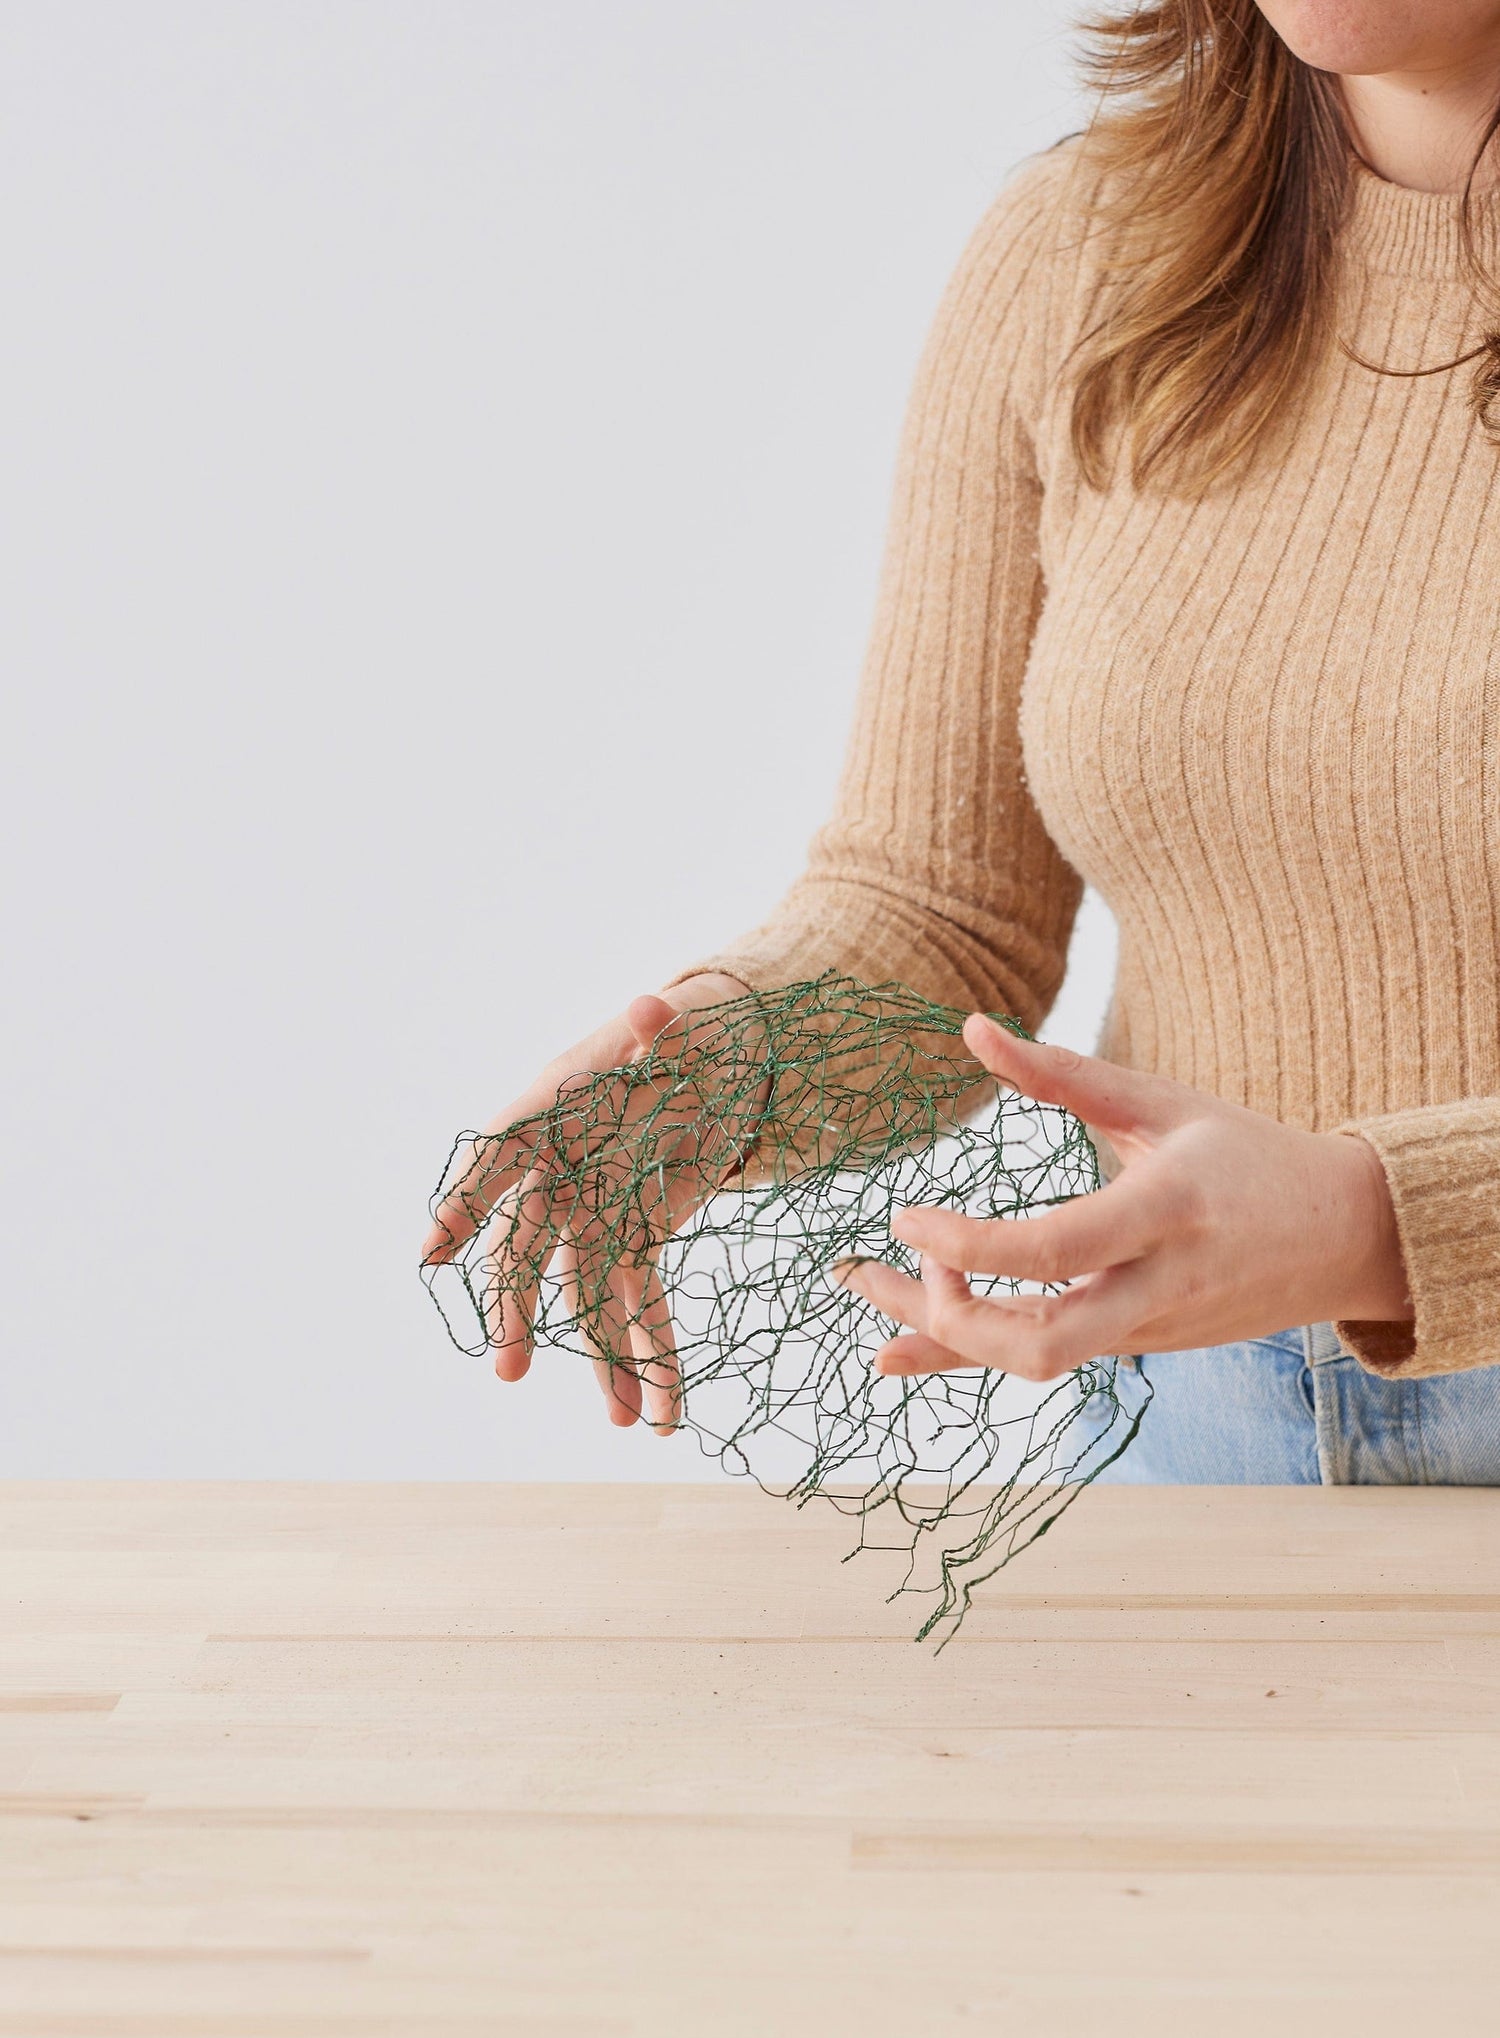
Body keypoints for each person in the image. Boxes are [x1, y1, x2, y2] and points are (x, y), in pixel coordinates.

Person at [426, 0, 1500, 1485]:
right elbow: (946, 914)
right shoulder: (1082, 251)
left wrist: (1380, 1222)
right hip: (1188, 1420)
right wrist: (722, 1061)